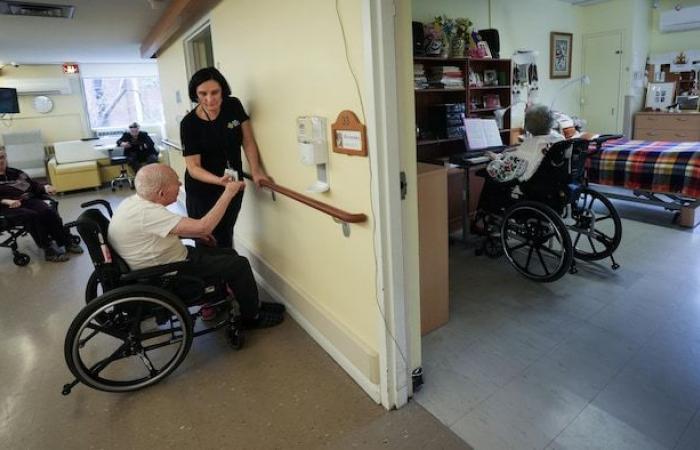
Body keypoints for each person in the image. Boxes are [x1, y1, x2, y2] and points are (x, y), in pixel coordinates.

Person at [108, 163, 284, 328]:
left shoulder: (134, 203)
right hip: (169, 273)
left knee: (228, 253)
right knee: (239, 264)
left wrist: (197, 233)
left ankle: (253, 304)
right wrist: (228, 193)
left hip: (161, 261)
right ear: (161, 193)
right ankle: (252, 318)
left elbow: (156, 231)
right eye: (175, 182)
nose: (179, 184)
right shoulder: (148, 213)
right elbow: (204, 226)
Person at [180, 67, 270, 249]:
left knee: (225, 232)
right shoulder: (189, 124)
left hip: (233, 183)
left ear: (223, 90)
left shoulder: (233, 106)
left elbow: (248, 141)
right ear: (195, 94)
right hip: (203, 189)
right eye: (202, 94)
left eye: (215, 92)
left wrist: (256, 171)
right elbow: (193, 167)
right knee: (206, 237)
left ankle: (228, 274)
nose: (209, 99)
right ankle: (212, 276)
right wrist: (220, 181)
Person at [0, 149, 83, 262]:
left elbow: (32, 184)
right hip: (7, 207)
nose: (1, 161)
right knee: (32, 216)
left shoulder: (15, 172)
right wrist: (5, 201)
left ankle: (65, 242)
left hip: (27, 200)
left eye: (2, 157)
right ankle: (48, 249)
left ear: (6, 158)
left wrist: (45, 188)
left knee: (47, 211)